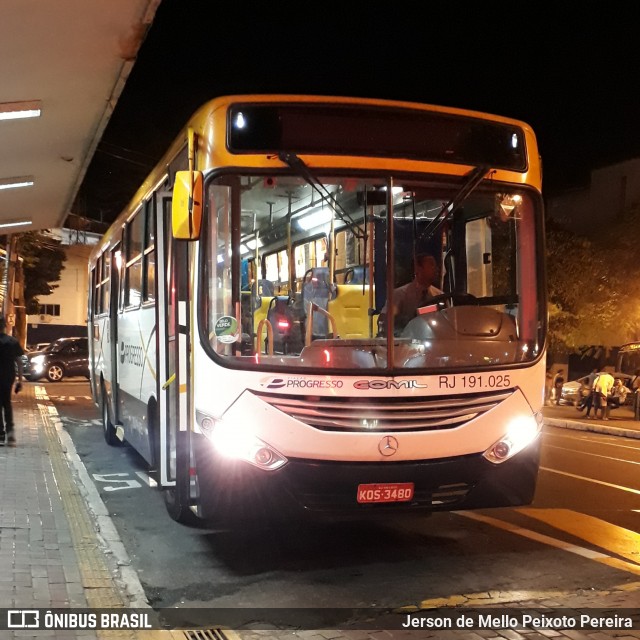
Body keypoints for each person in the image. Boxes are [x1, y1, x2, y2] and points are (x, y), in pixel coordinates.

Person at [378, 253, 443, 335]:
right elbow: (384, 320)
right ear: (418, 269)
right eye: (431, 265)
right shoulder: (399, 295)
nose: (437, 269)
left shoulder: (439, 296)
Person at [0, 315, 24, 446]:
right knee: (7, 403)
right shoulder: (12, 342)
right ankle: (10, 433)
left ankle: (0, 434)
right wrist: (20, 380)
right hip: (8, 377)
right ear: (4, 326)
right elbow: (19, 362)